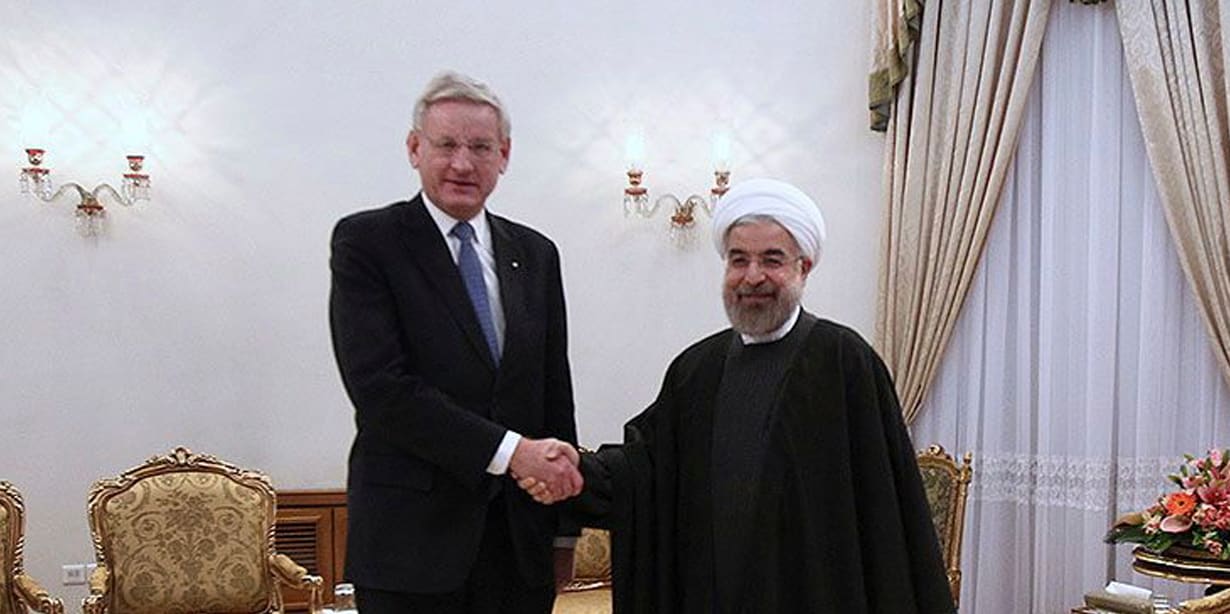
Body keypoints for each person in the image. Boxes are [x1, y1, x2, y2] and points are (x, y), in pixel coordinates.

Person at [521, 178, 955, 613]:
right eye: (739, 259)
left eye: (772, 260)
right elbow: (648, 470)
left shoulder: (845, 361)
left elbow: (887, 513)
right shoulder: (697, 369)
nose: (752, 277)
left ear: (803, 268)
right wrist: (576, 470)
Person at [329, 70, 583, 614]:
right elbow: (382, 391)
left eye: (480, 147)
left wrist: (563, 532)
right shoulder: (368, 242)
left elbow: (553, 392)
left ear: (504, 155)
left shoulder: (536, 254)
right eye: (446, 145)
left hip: (517, 548)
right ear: (414, 149)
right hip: (410, 548)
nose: (463, 164)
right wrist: (513, 453)